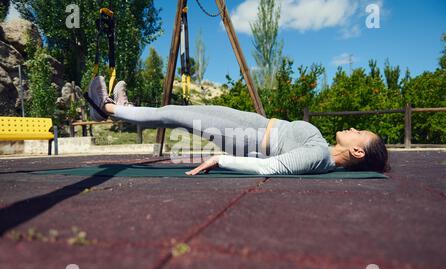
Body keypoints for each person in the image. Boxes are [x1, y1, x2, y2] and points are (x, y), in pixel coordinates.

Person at [88, 76, 390, 176]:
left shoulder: (319, 157)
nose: (354, 129)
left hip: (245, 137)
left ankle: (109, 108)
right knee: (175, 111)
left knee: (174, 114)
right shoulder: (322, 149)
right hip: (253, 125)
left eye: (360, 134)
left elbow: (270, 167)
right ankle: (126, 110)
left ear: (358, 152)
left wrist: (221, 160)